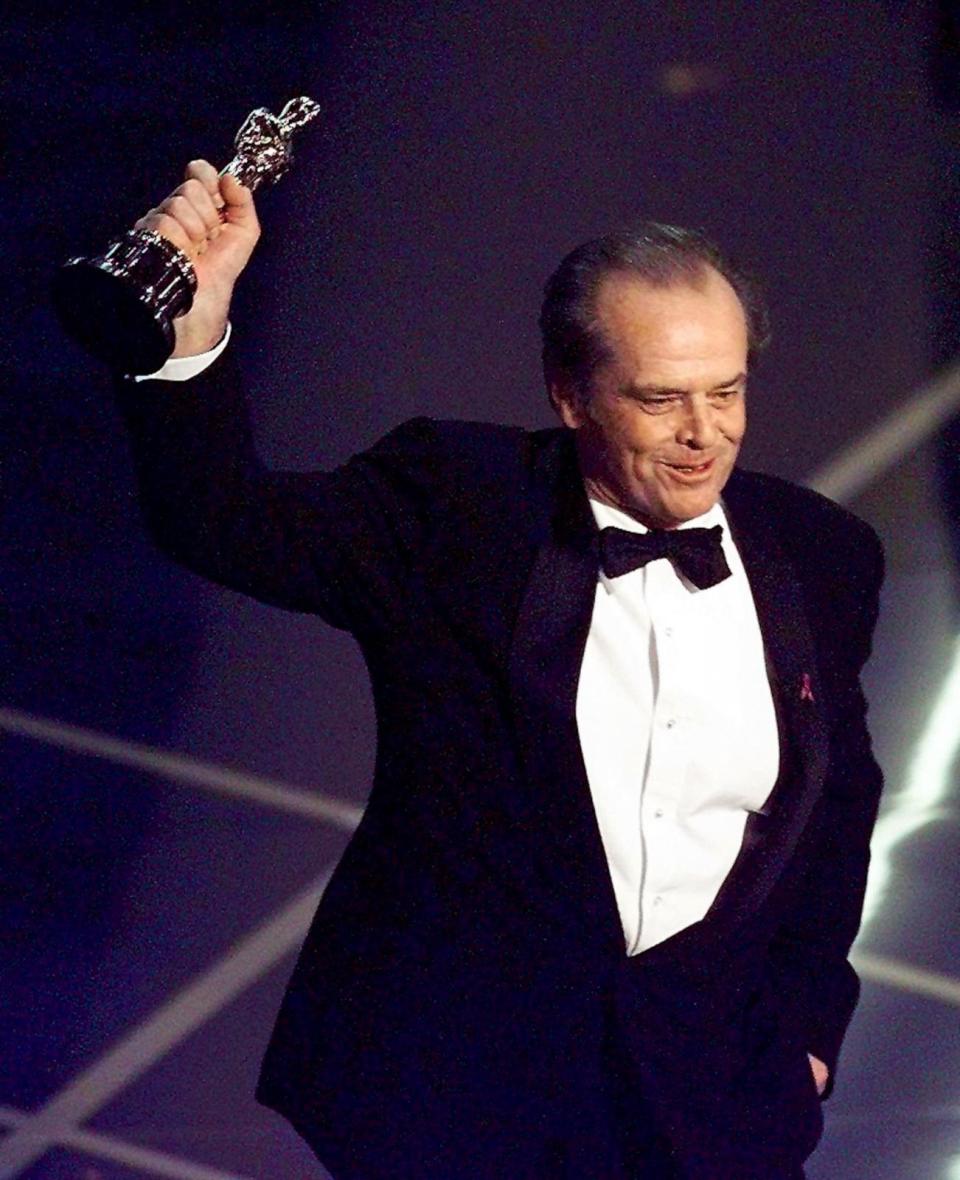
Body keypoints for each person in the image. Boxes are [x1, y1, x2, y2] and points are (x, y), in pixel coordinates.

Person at [114, 160, 885, 1179]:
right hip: (465, 1097)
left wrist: (810, 1025)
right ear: (571, 395)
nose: (707, 436)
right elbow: (227, 523)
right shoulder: (458, 506)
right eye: (661, 400)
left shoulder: (822, 553)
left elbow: (835, 808)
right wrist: (189, 336)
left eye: (727, 391)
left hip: (715, 1101)